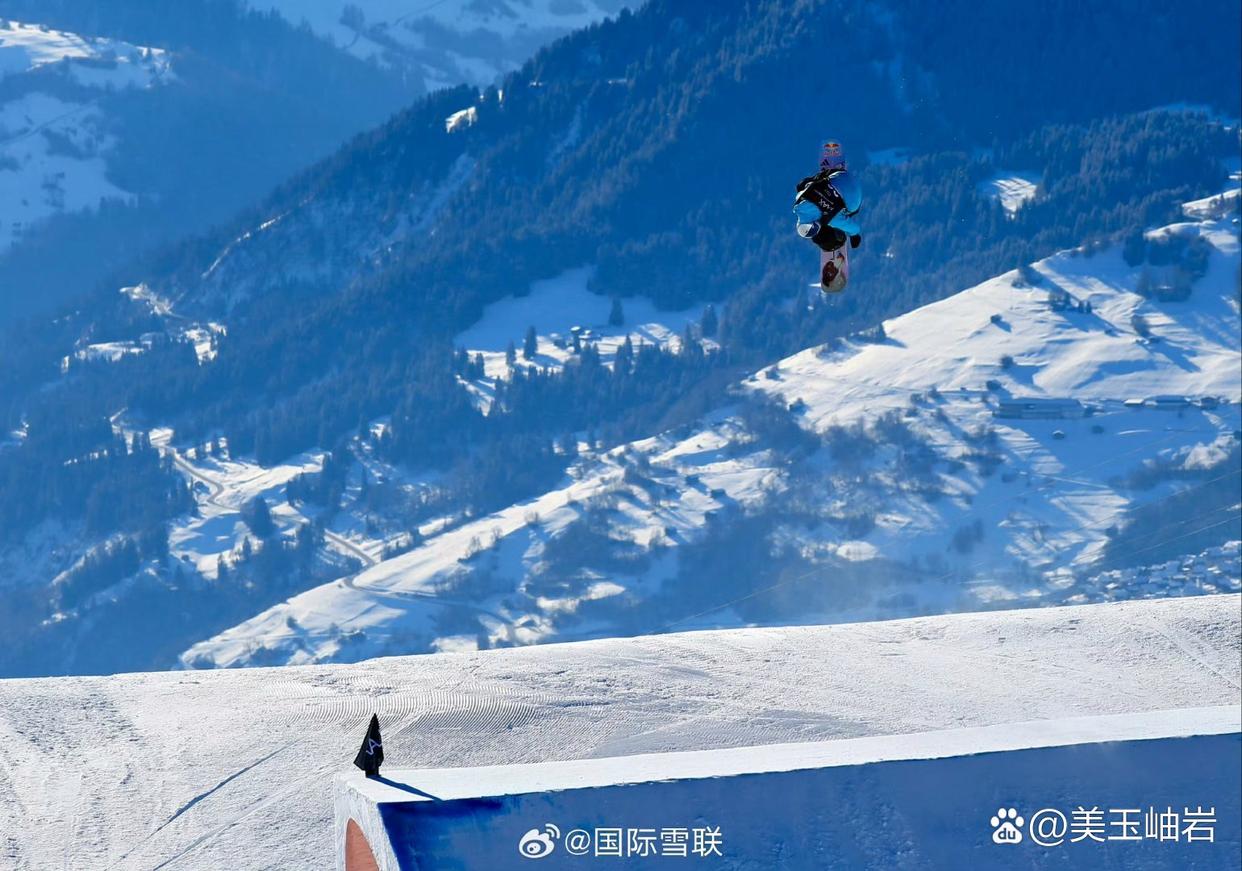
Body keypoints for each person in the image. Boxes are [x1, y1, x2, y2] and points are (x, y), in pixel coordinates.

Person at [793, 141, 862, 287]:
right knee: (808, 186)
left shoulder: (831, 219)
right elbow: (804, 186)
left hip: (855, 200)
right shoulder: (799, 202)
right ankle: (831, 175)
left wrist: (855, 236)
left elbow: (852, 227)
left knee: (835, 223)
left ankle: (836, 239)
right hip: (842, 177)